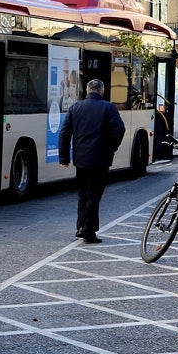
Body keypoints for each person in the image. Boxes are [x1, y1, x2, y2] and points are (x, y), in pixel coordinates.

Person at [58, 78, 125, 244]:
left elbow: (65, 133)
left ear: (87, 91)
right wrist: (111, 147)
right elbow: (119, 129)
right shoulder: (109, 108)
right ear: (101, 91)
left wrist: (64, 157)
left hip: (80, 160)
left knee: (83, 194)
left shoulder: (75, 107)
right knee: (94, 195)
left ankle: (81, 227)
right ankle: (89, 231)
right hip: (101, 160)